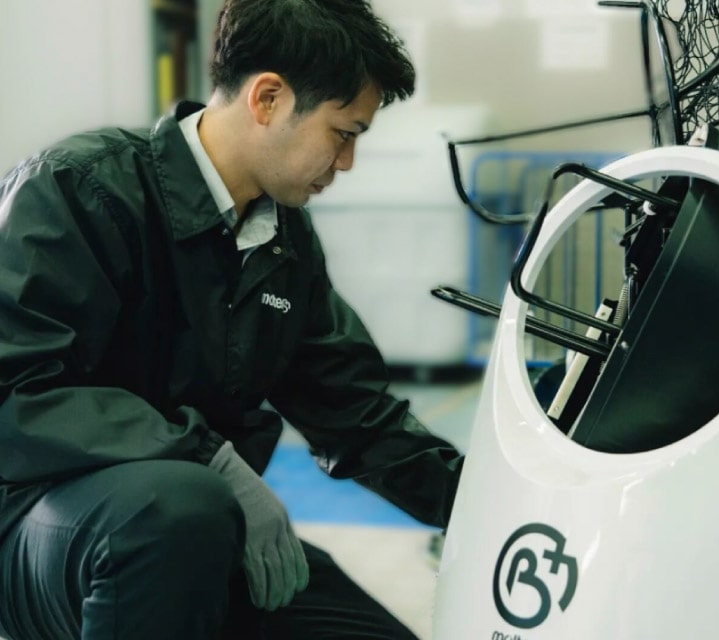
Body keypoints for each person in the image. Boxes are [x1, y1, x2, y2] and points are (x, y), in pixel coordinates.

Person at [0, 0, 463, 638]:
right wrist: (207, 458)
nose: (347, 162)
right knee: (176, 511)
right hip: (40, 524)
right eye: (343, 133)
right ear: (268, 99)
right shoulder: (81, 188)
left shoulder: (282, 242)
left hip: (196, 528)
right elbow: (14, 391)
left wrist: (485, 506)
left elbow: (356, 414)